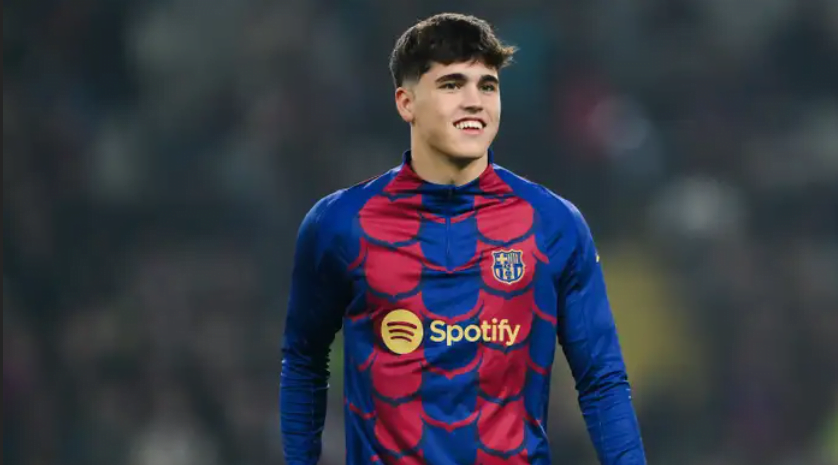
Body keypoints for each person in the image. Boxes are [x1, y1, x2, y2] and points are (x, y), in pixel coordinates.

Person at [280, 12, 646, 465]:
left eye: (487, 86)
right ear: (406, 103)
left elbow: (601, 380)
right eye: (452, 85)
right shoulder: (339, 224)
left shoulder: (553, 224)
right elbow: (303, 361)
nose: (474, 101)